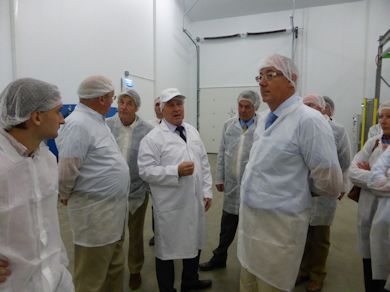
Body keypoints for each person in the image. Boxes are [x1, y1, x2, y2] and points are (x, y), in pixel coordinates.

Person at [237, 54, 343, 292]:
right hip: (250, 231)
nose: (262, 82)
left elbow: (331, 183)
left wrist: (295, 189)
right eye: (260, 76)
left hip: (279, 235)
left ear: (292, 79)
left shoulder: (309, 121)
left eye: (271, 75)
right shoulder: (263, 120)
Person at [56, 75, 130, 292]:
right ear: (100, 99)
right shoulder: (78, 124)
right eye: (112, 97)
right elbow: (66, 169)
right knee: (92, 277)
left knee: (113, 269)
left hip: (112, 214)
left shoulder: (96, 120)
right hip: (95, 216)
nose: (113, 102)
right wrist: (64, 193)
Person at [0, 78, 74, 291]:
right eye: (58, 111)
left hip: (56, 276)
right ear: (37, 117)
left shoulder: (47, 159)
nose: (63, 120)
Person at [138, 88, 213, 292]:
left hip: (194, 201)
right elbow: (145, 171)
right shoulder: (152, 139)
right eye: (171, 105)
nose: (176, 108)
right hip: (170, 207)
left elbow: (204, 162)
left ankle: (190, 281)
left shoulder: (192, 130)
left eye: (179, 103)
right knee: (167, 251)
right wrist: (175, 171)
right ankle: (167, 289)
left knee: (194, 243)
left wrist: (207, 191)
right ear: (162, 110)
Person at [199, 90, 260, 271]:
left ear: (255, 107)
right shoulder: (228, 125)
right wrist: (219, 177)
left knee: (251, 228)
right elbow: (221, 152)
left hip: (253, 186)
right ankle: (219, 258)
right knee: (227, 226)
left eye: (247, 107)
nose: (242, 110)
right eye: (240, 106)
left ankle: (251, 264)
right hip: (232, 185)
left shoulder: (262, 127)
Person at [299, 94, 351, 292]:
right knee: (302, 234)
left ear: (323, 109)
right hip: (301, 190)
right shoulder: (299, 128)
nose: (307, 109)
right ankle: (303, 271)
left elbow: (345, 161)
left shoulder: (337, 130)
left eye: (311, 105)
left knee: (320, 237)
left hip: (324, 193)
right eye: (304, 106)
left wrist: (340, 186)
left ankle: (317, 275)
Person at [106, 89, 153, 290]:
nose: (124, 107)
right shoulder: (107, 126)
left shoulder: (147, 130)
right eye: (122, 102)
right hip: (112, 191)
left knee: (135, 234)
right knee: (113, 234)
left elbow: (151, 160)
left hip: (137, 190)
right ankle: (112, 269)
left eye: (129, 103)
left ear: (136, 107)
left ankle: (135, 270)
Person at [349, 100, 390, 292]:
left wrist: (369, 173)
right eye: (381, 116)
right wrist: (376, 176)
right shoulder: (373, 142)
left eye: (389, 116)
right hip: (367, 213)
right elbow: (352, 171)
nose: (384, 121)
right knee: (369, 265)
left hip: (386, 217)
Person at [367, 137, 390, 292]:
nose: (384, 120)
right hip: (383, 218)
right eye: (382, 116)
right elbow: (372, 180)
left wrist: (384, 181)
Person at [147, 95, 163, 247]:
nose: (158, 107)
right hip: (153, 172)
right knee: (155, 205)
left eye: (160, 104)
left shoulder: (177, 126)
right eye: (156, 104)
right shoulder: (148, 126)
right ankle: (156, 234)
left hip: (170, 172)